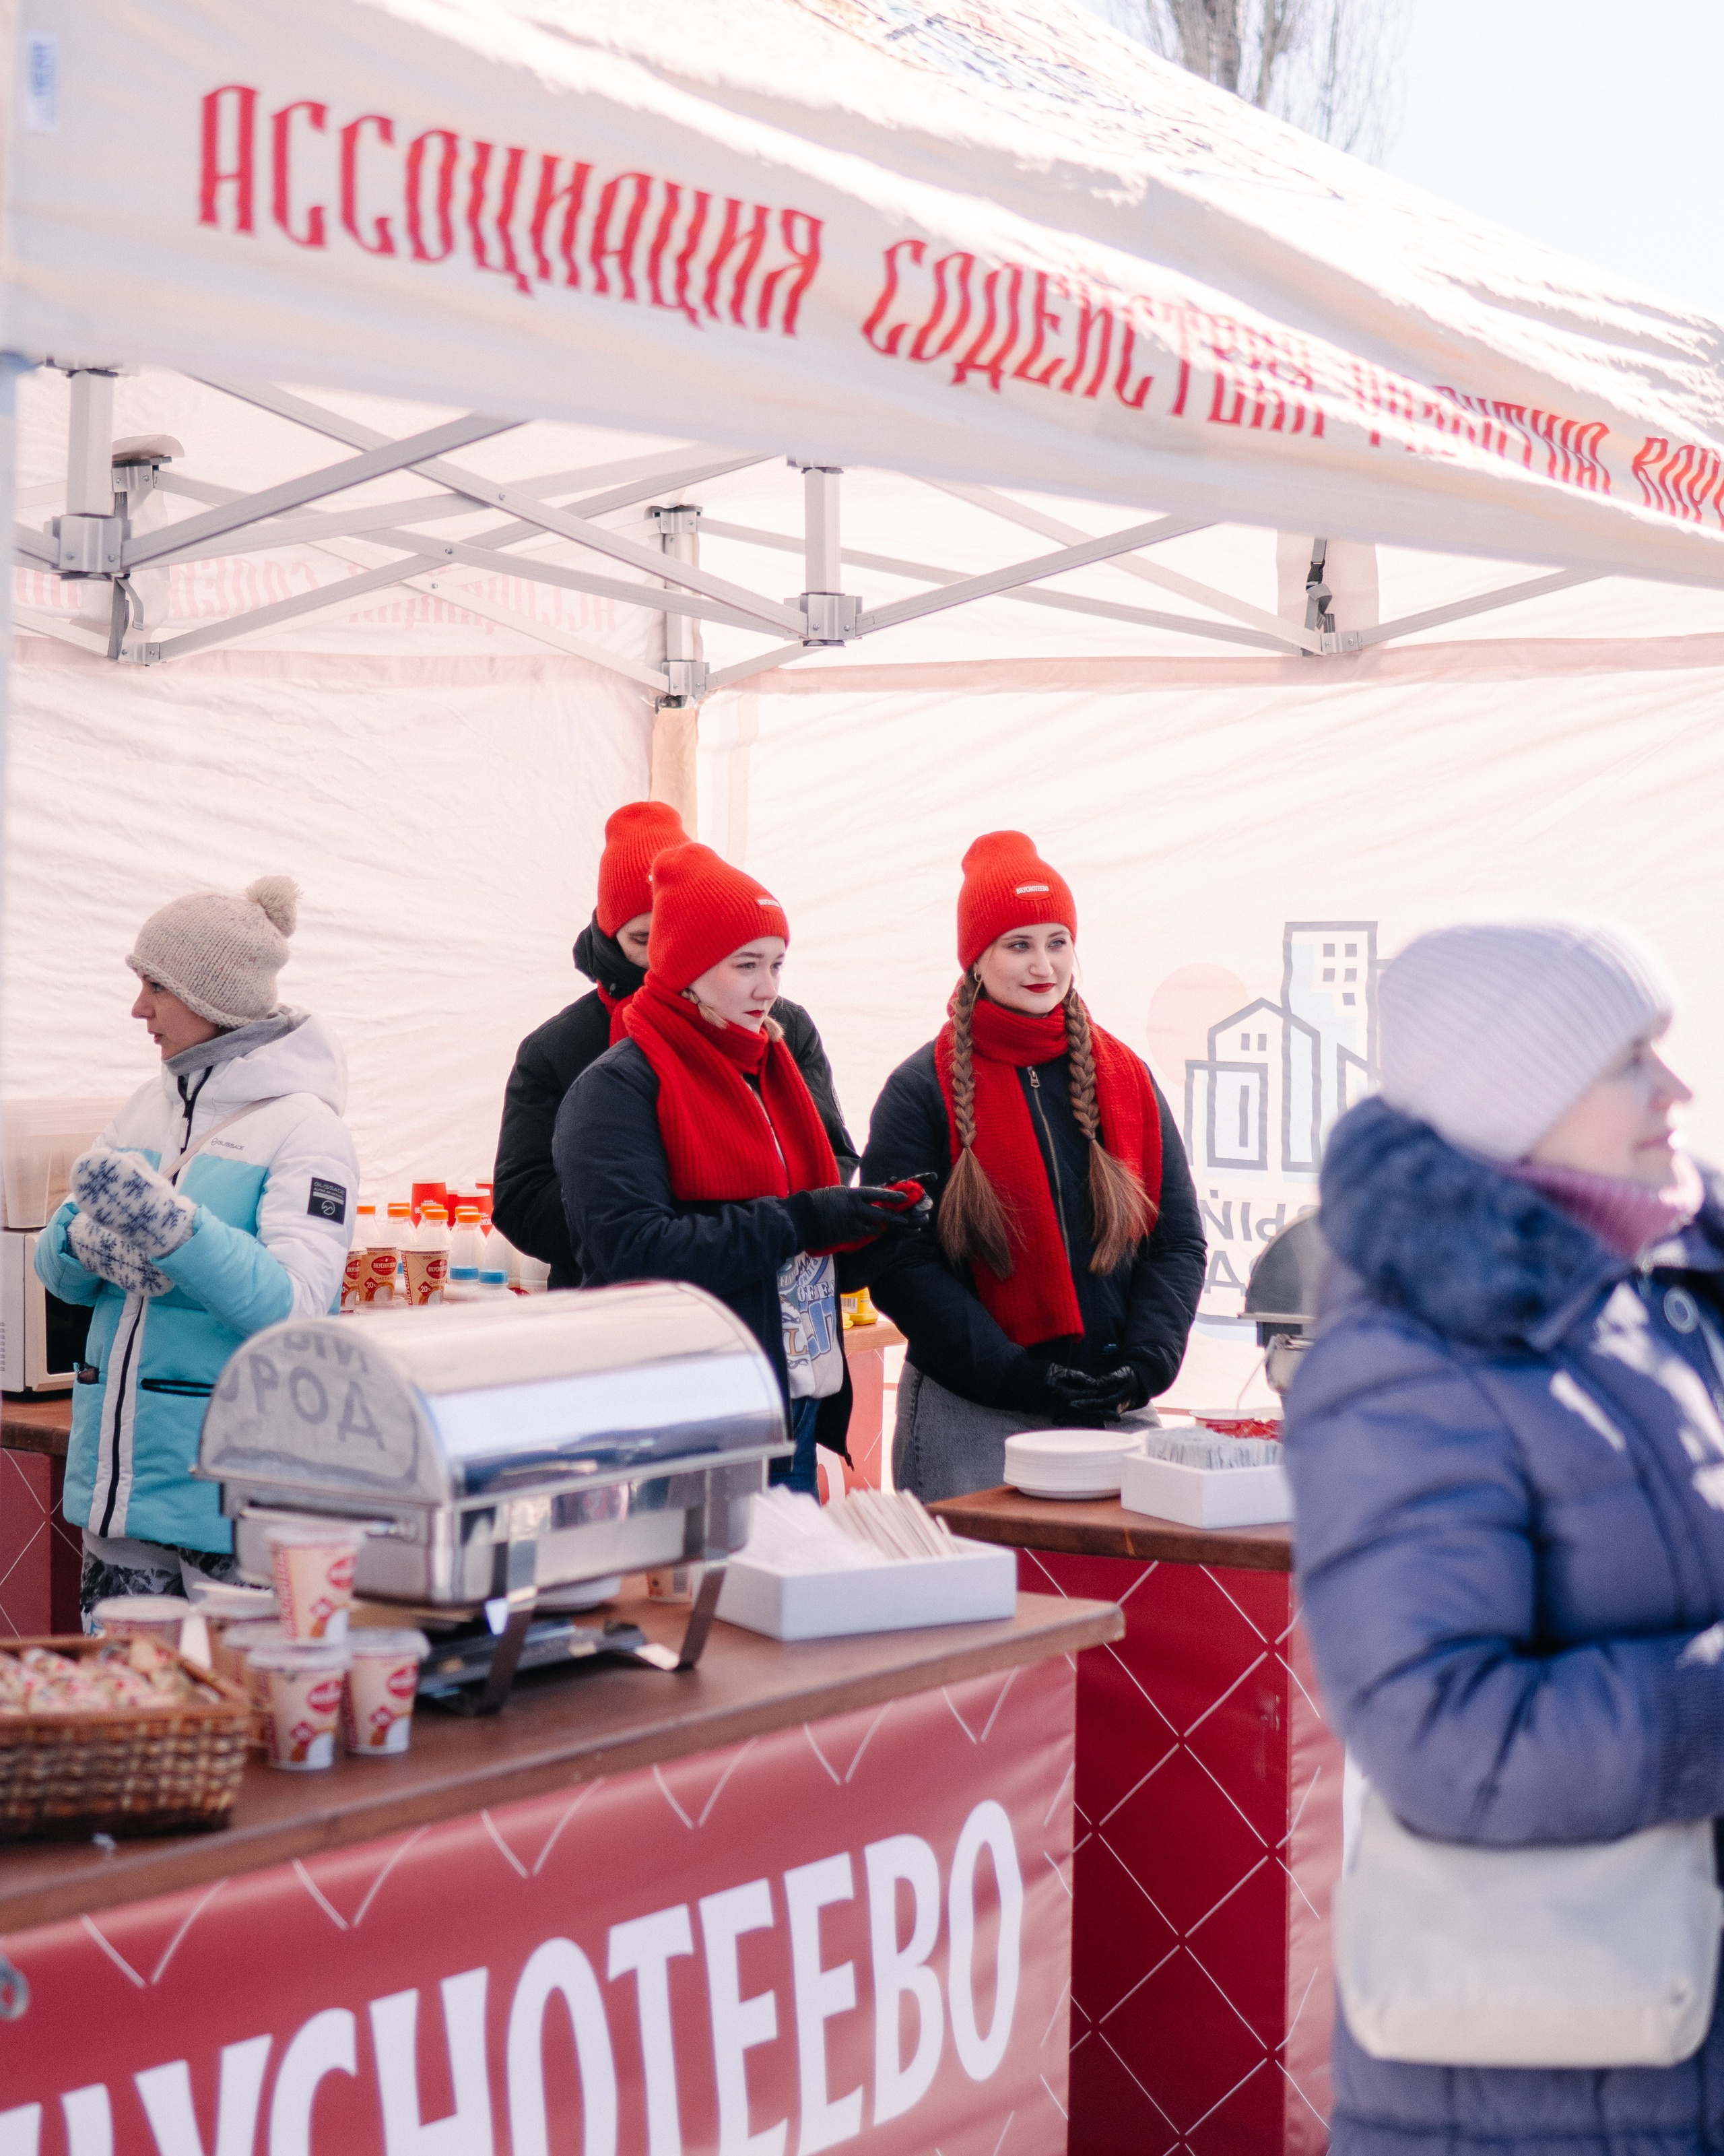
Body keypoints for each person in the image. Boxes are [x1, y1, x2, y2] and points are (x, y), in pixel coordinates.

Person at [1285, 921, 1724, 2156]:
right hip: (1548, 2085)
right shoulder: (1402, 1359)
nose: (1678, 1091)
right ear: (1517, 1094)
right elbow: (1442, 1732)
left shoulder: (1654, 1295)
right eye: (1631, 1059)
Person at [35, 877, 360, 1624]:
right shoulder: (145, 1107)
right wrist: (83, 1241)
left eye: (155, 986)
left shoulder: (306, 1130)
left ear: (211, 997)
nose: (137, 1008)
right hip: (119, 1492)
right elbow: (55, 1272)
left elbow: (296, 1309)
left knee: (234, 1695)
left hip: (229, 1503)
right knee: (128, 1693)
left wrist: (174, 1233)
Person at [554, 841, 921, 1494]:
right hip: (684, 1417)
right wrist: (802, 1219)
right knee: (684, 1567)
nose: (768, 988)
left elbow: (794, 1261)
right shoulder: (617, 1088)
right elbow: (636, 1251)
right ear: (686, 968)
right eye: (745, 965)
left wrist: (878, 1230)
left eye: (776, 964)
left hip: (791, 1403)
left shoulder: (772, 1071)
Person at [861, 830, 1205, 1500]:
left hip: (1112, 1407)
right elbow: (897, 1263)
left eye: (1058, 942)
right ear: (976, 959)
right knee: (976, 1574)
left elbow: (1176, 1241)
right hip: (973, 1413)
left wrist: (1146, 1365)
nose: (1043, 965)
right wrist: (1013, 1374)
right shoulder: (920, 1089)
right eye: (1018, 945)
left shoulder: (1128, 1078)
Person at [493, 801, 856, 1286]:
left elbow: (830, 1154)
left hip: (782, 1291)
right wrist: (656, 1212)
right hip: (628, 1302)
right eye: (643, 937)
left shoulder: (780, 1027)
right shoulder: (564, 1051)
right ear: (609, 935)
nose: (660, 956)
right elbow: (522, 1202)